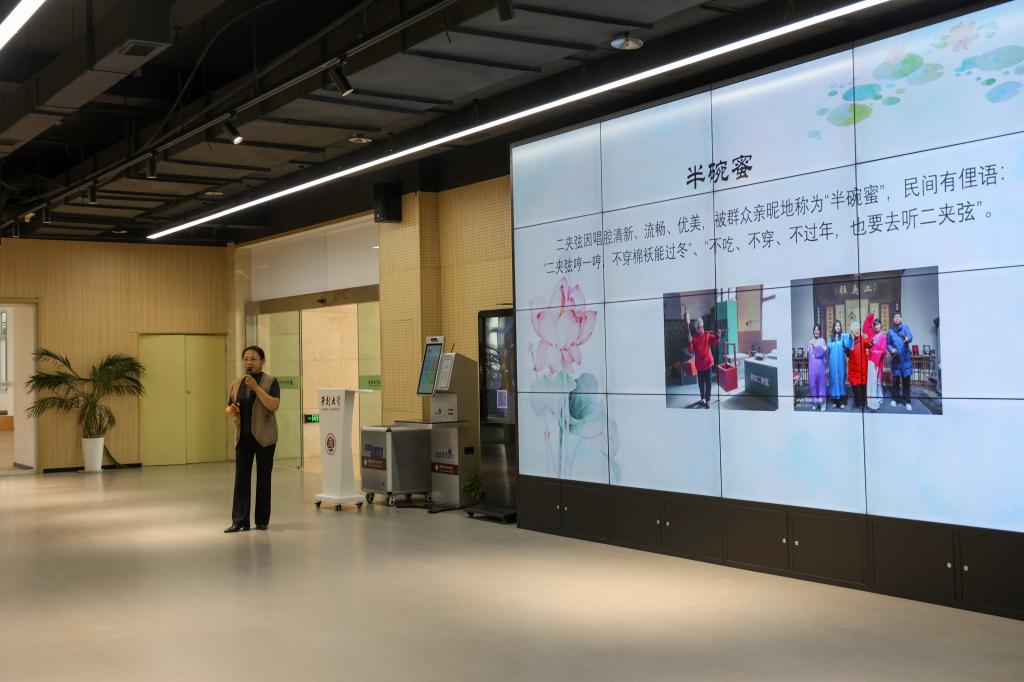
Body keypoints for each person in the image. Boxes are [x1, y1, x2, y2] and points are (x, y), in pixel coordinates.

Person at [224, 346, 281, 532]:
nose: (249, 362)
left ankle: (262, 520)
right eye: (246, 359)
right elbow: (228, 408)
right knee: (241, 478)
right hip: (243, 436)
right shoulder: (237, 383)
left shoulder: (270, 381)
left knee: (264, 478)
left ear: (262, 361)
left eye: (253, 359)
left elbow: (274, 405)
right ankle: (240, 520)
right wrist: (232, 410)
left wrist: (256, 388)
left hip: (265, 437)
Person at [686, 312, 722, 409]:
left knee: (709, 382)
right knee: (701, 383)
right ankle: (702, 398)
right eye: (698, 327)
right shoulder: (694, 339)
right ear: (696, 329)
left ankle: (708, 400)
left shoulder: (707, 335)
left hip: (708, 363)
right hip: (699, 365)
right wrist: (690, 342)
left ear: (703, 326)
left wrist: (718, 336)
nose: (700, 328)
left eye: (701, 326)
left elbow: (714, 341)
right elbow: (691, 350)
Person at [886, 311, 914, 411]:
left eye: (898, 317)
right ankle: (895, 399)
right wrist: (891, 349)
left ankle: (907, 401)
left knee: (906, 382)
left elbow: (910, 337)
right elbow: (887, 344)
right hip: (896, 360)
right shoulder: (890, 332)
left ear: (901, 318)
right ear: (893, 319)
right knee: (895, 381)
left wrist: (907, 339)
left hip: (906, 359)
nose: (897, 318)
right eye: (895, 317)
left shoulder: (905, 328)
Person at [826, 320, 853, 409]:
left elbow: (849, 345)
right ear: (834, 327)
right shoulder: (831, 338)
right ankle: (835, 400)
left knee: (841, 379)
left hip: (841, 363)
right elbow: (828, 350)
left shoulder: (843, 337)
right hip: (832, 363)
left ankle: (841, 400)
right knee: (834, 380)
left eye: (839, 326)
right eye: (836, 326)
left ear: (840, 327)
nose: (838, 327)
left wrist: (850, 337)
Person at [865, 314, 886, 412]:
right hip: (872, 361)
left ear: (881, 325)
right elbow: (865, 327)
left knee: (878, 380)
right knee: (873, 381)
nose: (877, 326)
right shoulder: (873, 335)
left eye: (878, 324)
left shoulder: (883, 336)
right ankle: (874, 398)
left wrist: (874, 352)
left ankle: (879, 397)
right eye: (875, 325)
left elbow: (883, 350)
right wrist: (871, 316)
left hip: (879, 361)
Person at [806, 324, 827, 411]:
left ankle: (822, 403)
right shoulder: (810, 341)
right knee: (813, 385)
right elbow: (808, 353)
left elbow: (822, 352)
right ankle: (815, 403)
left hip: (821, 366)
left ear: (820, 331)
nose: (816, 331)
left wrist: (815, 346)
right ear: (813, 331)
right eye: (815, 330)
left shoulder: (822, 341)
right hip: (812, 367)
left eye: (818, 330)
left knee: (821, 384)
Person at [848, 320, 868, 410]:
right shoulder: (849, 340)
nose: (857, 330)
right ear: (852, 330)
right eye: (855, 329)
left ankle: (863, 403)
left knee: (863, 387)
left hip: (862, 367)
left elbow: (868, 344)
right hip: (853, 368)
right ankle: (857, 403)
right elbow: (847, 353)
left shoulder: (863, 339)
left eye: (858, 329)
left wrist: (870, 342)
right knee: (855, 387)